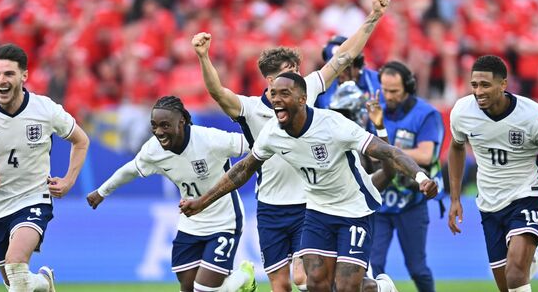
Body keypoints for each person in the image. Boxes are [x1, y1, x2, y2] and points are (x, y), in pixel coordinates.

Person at [191, 0, 390, 291]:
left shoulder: (304, 90)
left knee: (305, 279)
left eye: (296, 72)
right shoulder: (249, 108)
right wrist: (204, 57)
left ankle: (377, 285)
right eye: (289, 72)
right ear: (270, 81)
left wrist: (373, 17)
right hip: (270, 205)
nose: (296, 77)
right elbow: (218, 93)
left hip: (308, 202)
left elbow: (343, 58)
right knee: (281, 285)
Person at [181, 73, 438, 292]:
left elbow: (388, 152)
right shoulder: (272, 133)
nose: (276, 100)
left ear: (302, 99)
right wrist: (202, 201)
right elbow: (243, 170)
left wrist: (420, 176)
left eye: (284, 93)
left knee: (347, 287)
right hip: (317, 210)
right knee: (315, 284)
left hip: (355, 208)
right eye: (273, 94)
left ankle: (381, 287)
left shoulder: (333, 125)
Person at [0, 43, 90, 292]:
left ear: (24, 75)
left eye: (9, 74)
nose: (1, 80)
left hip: (34, 197)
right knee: (15, 281)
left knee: (16, 265)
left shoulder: (45, 110)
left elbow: (81, 140)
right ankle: (44, 283)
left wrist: (68, 180)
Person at [85, 96, 255, 292]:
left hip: (225, 221)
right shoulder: (153, 150)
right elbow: (130, 170)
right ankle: (238, 279)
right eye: (154, 126)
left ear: (181, 121)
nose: (159, 132)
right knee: (188, 288)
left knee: (204, 289)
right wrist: (101, 192)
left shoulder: (210, 139)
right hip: (190, 224)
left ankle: (243, 276)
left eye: (165, 125)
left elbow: (255, 145)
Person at [447, 55, 538, 292]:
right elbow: (456, 147)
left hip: (526, 196)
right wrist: (454, 198)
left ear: (503, 85)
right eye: (474, 85)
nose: (478, 91)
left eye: (485, 85)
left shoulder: (534, 116)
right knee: (509, 285)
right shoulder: (462, 111)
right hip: (489, 204)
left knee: (515, 273)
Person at [365, 61, 444, 292]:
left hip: (412, 202)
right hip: (379, 204)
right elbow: (366, 154)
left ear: (409, 87)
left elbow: (427, 155)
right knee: (373, 265)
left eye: (394, 91)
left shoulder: (426, 114)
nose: (388, 96)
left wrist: (390, 154)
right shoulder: (373, 112)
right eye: (385, 90)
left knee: (417, 267)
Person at [314, 35, 381, 109]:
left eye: (345, 68)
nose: (339, 73)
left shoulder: (379, 83)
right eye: (333, 68)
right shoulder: (322, 87)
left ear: (358, 65)